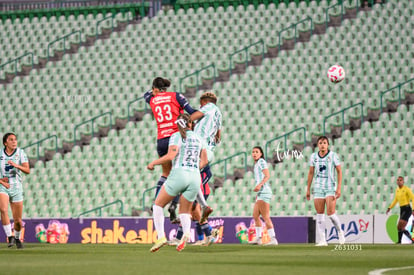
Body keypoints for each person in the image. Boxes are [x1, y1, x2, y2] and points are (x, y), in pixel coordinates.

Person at [147, 114, 208, 252]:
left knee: (157, 205)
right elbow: (204, 161)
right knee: (185, 211)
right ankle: (186, 234)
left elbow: (170, 156)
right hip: (195, 177)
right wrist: (193, 168)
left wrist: (153, 163)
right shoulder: (199, 139)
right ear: (191, 124)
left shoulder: (176, 136)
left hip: (179, 174)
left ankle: (161, 237)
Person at [144, 77, 196, 223]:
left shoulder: (151, 99)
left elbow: (146, 94)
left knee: (166, 173)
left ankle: (156, 203)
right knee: (181, 172)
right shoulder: (175, 96)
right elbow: (191, 112)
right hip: (176, 137)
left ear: (154, 89)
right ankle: (174, 205)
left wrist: (155, 91)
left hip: (161, 139)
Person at [306, 136, 345, 246]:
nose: (322, 145)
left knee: (331, 214)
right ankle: (323, 240)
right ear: (318, 145)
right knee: (319, 215)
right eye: (320, 143)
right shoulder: (313, 157)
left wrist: (339, 187)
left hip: (330, 187)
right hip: (318, 187)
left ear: (328, 145)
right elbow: (310, 173)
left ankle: (340, 232)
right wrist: (308, 189)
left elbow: (339, 171)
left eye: (324, 143)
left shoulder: (333, 156)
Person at [190, 91, 222, 224]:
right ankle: (201, 209)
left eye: (200, 104)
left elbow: (194, 116)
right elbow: (219, 135)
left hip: (202, 149)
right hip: (208, 151)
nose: (200, 106)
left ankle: (206, 228)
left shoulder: (209, 107)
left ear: (204, 102)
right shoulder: (219, 114)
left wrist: (184, 121)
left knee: (189, 177)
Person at [0, 133, 30, 249]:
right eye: (11, 140)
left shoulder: (20, 153)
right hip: (3, 186)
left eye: (15, 139)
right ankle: (9, 236)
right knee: (3, 209)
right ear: (5, 143)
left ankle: (17, 237)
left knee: (18, 221)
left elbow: (27, 170)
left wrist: (17, 166)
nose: (14, 141)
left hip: (16, 187)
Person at [248, 146, 278, 246]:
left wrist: (260, 185)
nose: (254, 154)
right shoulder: (256, 164)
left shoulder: (261, 162)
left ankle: (273, 239)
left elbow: (267, 175)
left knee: (265, 216)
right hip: (260, 193)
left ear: (261, 154)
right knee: (255, 216)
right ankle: (258, 238)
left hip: (264, 191)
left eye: (256, 152)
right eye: (253, 152)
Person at [386, 176, 414, 244]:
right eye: (398, 180)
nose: (399, 181)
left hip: (407, 209)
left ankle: (400, 241)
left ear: (403, 182)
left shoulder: (406, 189)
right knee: (400, 228)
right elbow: (396, 200)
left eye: (400, 180)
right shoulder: (397, 190)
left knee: (400, 225)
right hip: (402, 209)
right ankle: (408, 240)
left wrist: (413, 209)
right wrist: (389, 207)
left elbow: (413, 198)